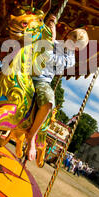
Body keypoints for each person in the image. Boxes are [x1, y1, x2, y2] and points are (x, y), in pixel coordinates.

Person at [25, 13, 89, 161]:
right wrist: (48, 25)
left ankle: (32, 135)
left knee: (49, 102)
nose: (71, 41)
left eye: (76, 43)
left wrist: (52, 37)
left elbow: (49, 58)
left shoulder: (70, 60)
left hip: (42, 81)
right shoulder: (54, 43)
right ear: (68, 35)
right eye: (72, 36)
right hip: (28, 73)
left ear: (78, 49)